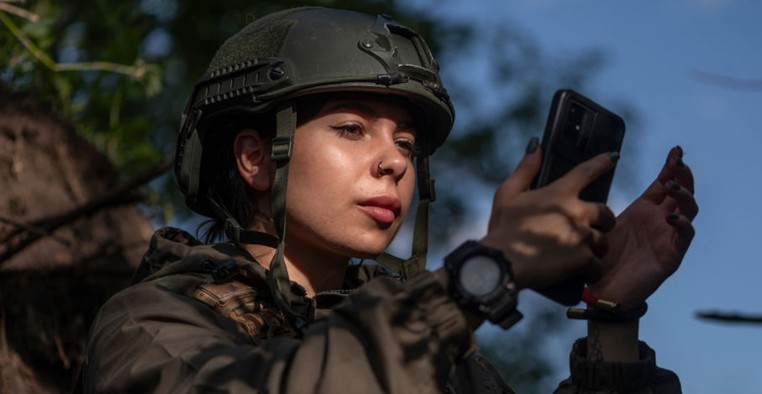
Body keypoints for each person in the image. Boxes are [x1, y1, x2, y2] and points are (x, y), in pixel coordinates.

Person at [83, 6, 697, 393]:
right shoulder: (149, 325)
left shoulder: (440, 345)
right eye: (351, 130)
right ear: (254, 160)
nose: (395, 160)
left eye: (405, 142)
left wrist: (612, 313)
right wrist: (483, 273)